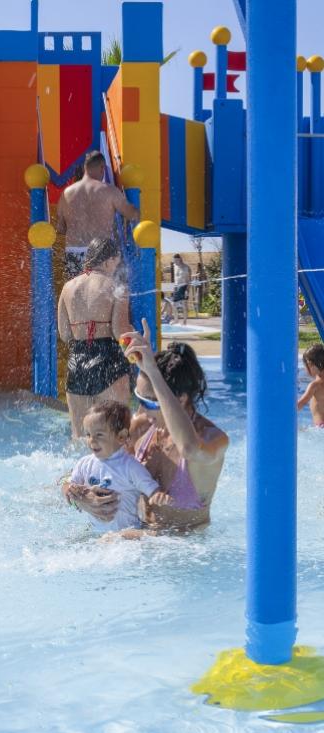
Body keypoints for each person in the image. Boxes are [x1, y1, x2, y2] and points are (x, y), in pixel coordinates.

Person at [64, 320, 229, 533]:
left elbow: (188, 449)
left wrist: (152, 371)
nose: (140, 410)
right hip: (136, 535)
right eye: (138, 398)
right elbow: (74, 473)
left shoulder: (214, 439)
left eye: (149, 402)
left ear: (179, 400)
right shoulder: (141, 427)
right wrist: (78, 496)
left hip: (183, 548)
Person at [58, 238, 133, 438]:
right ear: (109, 260)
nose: (116, 267)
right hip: (109, 359)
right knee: (117, 433)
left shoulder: (68, 288)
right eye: (116, 263)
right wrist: (135, 340)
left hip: (77, 361)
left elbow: (65, 334)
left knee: (81, 436)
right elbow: (120, 332)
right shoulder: (117, 287)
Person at [69, 401, 159, 533]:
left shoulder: (130, 466)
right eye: (88, 434)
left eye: (99, 434)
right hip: (95, 535)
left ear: (121, 436)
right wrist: (76, 492)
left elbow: (151, 490)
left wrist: (158, 496)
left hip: (126, 537)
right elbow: (70, 487)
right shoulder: (84, 464)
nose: (91, 440)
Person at [56, 150, 139, 279]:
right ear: (102, 168)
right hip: (99, 255)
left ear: (85, 168)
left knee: (76, 295)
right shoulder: (109, 191)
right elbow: (132, 215)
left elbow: (60, 228)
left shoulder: (66, 193)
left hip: (74, 254)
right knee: (100, 296)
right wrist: (135, 204)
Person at [298, 343, 324, 427]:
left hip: (320, 427)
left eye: (306, 366)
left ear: (311, 365)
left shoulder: (314, 385)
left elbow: (301, 404)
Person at [171, 253, 191, 325]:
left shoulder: (186, 267)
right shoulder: (174, 266)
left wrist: (187, 290)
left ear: (179, 259)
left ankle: (184, 321)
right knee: (173, 304)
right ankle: (176, 320)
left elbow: (188, 280)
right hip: (176, 286)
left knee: (184, 304)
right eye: (174, 260)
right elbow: (175, 278)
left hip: (183, 286)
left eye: (176, 260)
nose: (175, 262)